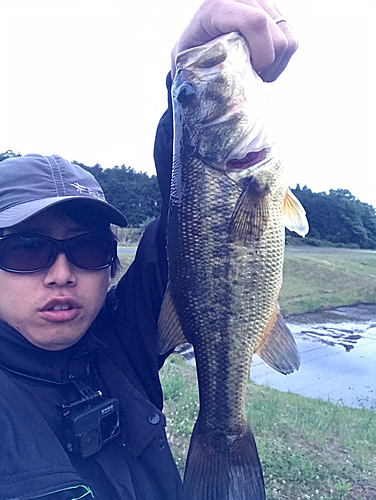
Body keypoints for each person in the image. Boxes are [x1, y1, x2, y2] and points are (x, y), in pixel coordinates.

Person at [0, 1, 298, 498]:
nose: (60, 274)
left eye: (88, 249)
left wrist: (188, 72)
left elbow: (189, 215)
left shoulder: (121, 343)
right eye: (27, 250)